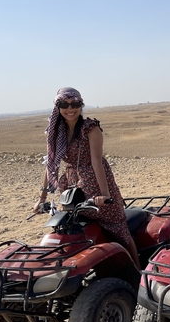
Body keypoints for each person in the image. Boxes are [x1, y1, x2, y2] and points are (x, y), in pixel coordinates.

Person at [32, 87, 139, 264]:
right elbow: (51, 164)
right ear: (57, 106)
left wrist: (105, 195)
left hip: (95, 182)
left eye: (75, 104)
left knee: (118, 228)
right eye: (64, 104)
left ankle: (137, 272)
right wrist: (41, 198)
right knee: (73, 229)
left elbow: (97, 161)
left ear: (81, 105)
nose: (70, 109)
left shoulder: (90, 128)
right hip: (71, 188)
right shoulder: (56, 131)